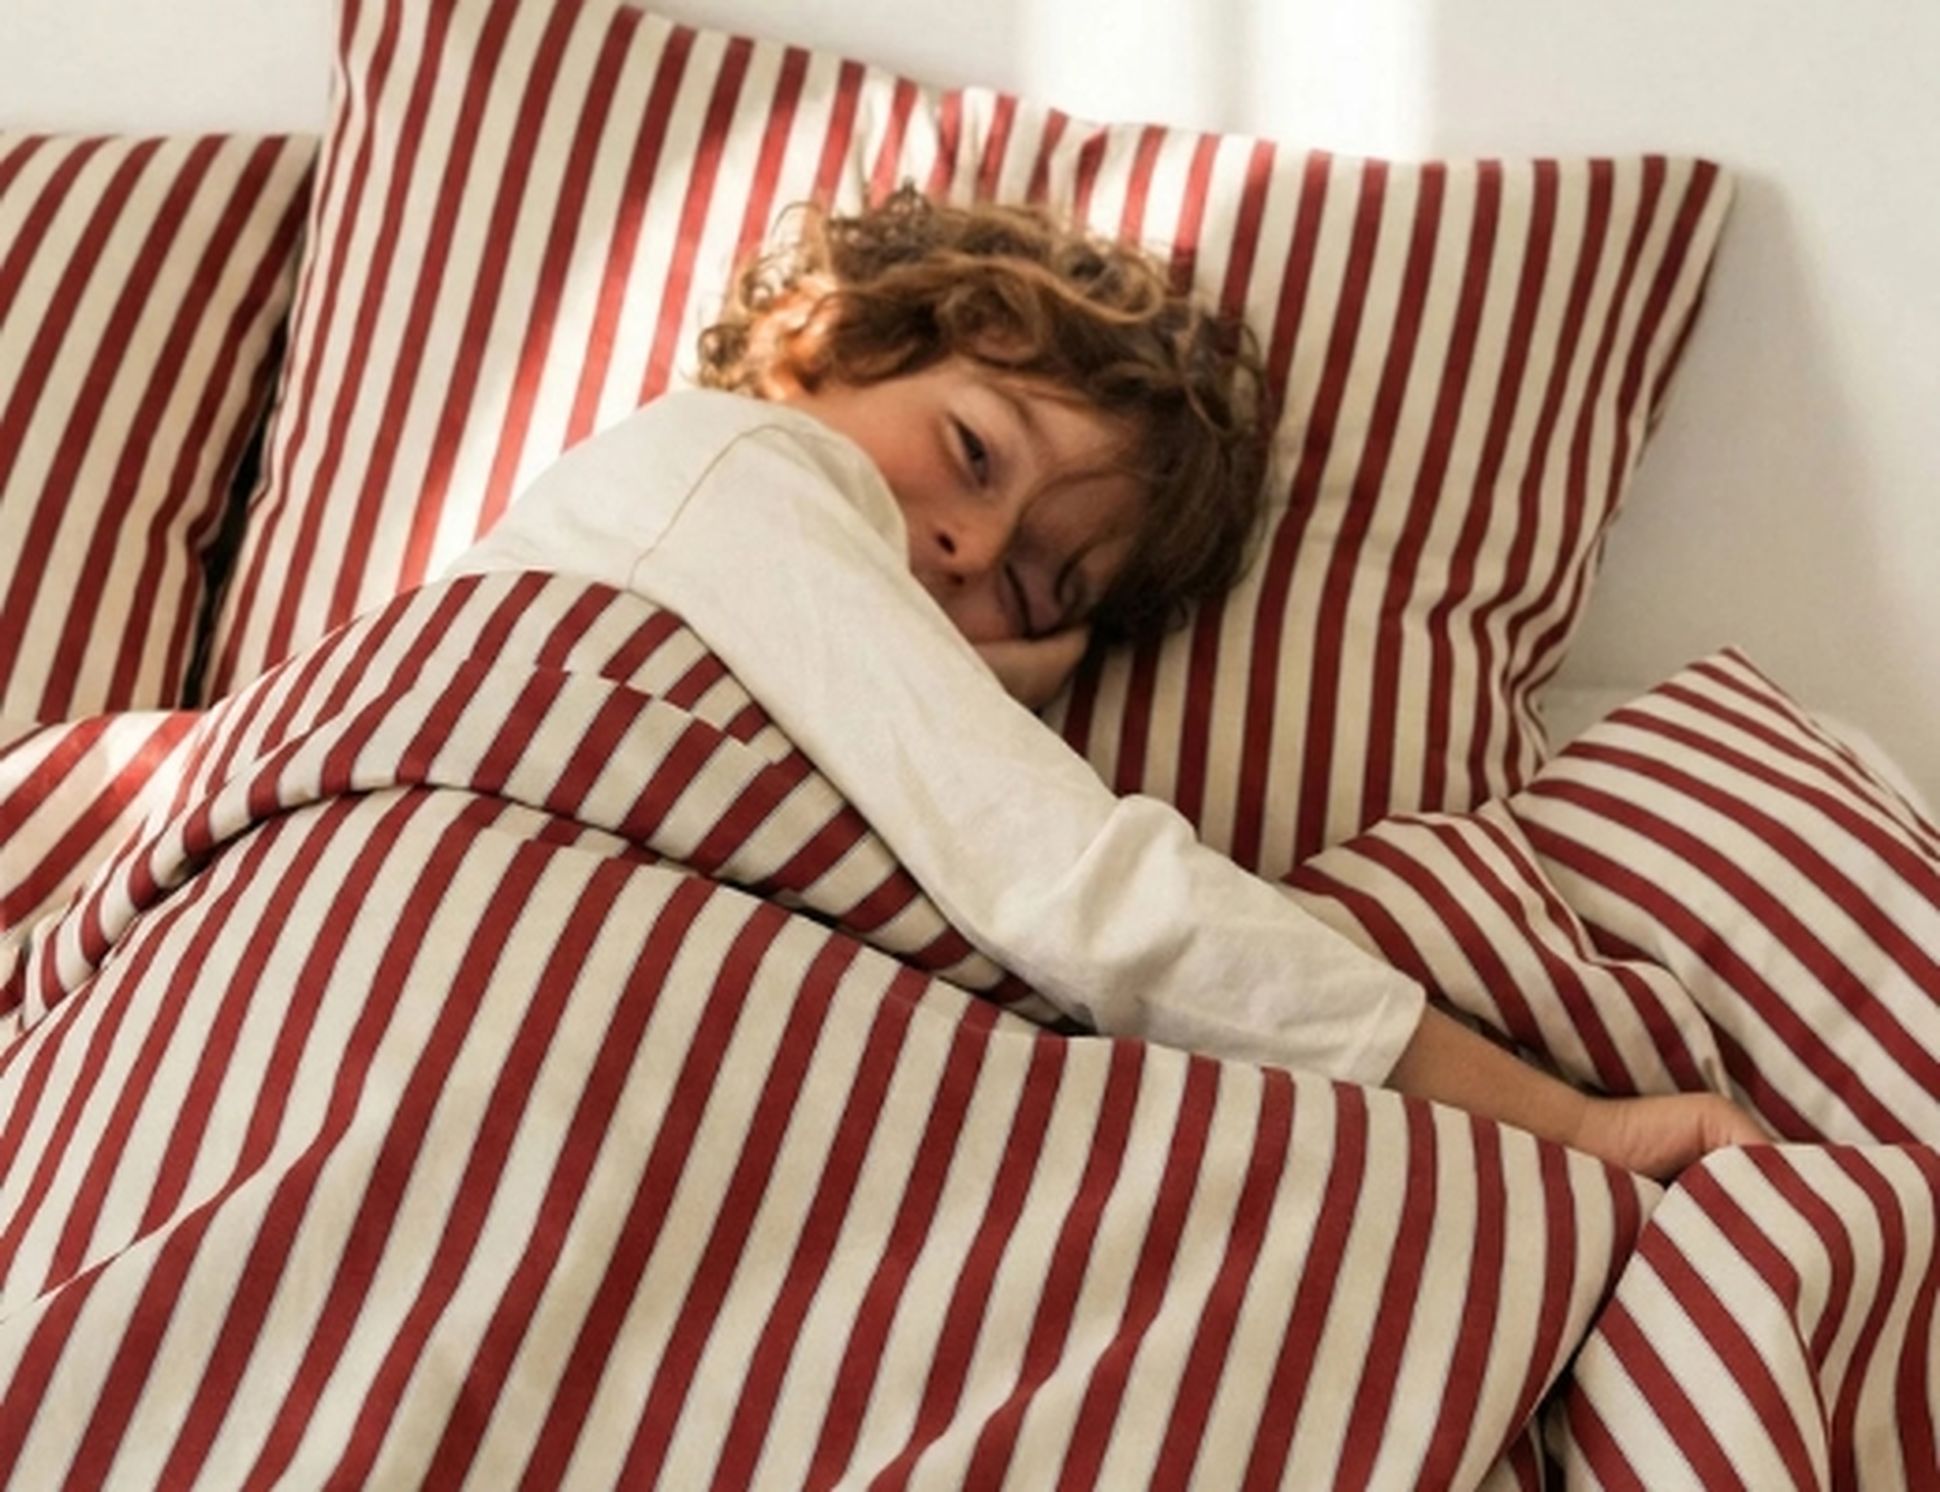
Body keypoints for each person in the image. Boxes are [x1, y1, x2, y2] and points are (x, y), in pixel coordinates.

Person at [451, 186, 1765, 1180]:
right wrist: (1569, 1123)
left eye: (1033, 582)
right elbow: (1079, 889)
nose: (968, 546)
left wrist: (989, 670)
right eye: (970, 449)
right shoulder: (727, 457)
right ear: (821, 341)